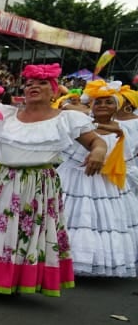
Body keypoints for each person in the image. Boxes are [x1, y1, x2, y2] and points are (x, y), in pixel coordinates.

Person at [0, 65, 108, 296]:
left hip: (37, 185)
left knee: (24, 233)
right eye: (29, 83)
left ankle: (12, 280)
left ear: (54, 91)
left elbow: (97, 141)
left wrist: (98, 152)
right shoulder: (6, 114)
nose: (34, 86)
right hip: (2, 180)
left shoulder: (68, 119)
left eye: (42, 83)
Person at [55, 80, 138, 278]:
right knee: (70, 217)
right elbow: (65, 109)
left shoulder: (125, 131)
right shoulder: (82, 126)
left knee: (104, 222)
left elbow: (126, 155)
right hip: (74, 177)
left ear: (117, 105)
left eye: (108, 102)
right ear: (91, 105)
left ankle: (92, 260)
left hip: (107, 183)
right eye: (98, 102)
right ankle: (60, 259)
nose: (102, 106)